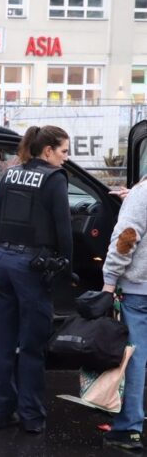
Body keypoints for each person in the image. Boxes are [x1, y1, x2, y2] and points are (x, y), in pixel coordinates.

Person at [0, 125, 72, 434]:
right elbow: (64, 230)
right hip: (32, 268)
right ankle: (32, 417)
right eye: (63, 151)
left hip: (1, 265)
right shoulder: (54, 179)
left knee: (3, 346)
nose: (66, 158)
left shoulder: (10, 174)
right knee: (32, 348)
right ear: (47, 151)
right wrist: (66, 267)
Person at [100, 177, 147, 451]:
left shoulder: (142, 195)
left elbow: (126, 238)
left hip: (139, 291)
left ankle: (128, 428)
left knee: (134, 358)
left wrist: (109, 280)